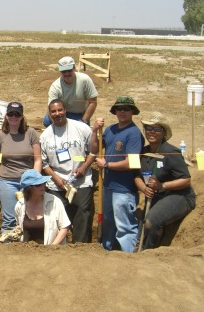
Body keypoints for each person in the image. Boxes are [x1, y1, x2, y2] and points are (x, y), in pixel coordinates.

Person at [134, 112, 196, 250]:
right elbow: (136, 176)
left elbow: (186, 180)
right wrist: (144, 188)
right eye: (149, 128)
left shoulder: (171, 152)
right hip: (156, 196)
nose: (152, 132)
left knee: (152, 220)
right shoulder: (143, 152)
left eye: (157, 129)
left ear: (163, 132)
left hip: (179, 196)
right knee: (142, 226)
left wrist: (161, 186)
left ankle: (149, 253)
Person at [91, 96, 144, 253]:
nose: (122, 111)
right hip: (108, 186)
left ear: (132, 112)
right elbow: (94, 149)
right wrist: (94, 131)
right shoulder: (110, 130)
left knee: (125, 226)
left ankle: (128, 257)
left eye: (126, 109)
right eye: (119, 109)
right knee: (109, 223)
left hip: (124, 188)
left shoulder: (134, 134)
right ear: (115, 111)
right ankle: (108, 252)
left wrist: (107, 165)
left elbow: (132, 163)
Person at [40, 99, 96, 243]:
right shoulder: (45, 136)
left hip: (80, 182)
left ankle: (80, 248)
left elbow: (93, 152)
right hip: (56, 184)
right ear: (49, 113)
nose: (57, 114)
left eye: (60, 110)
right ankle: (57, 248)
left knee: (82, 215)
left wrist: (83, 167)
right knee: (55, 217)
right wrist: (56, 178)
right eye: (53, 111)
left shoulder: (81, 128)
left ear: (65, 110)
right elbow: (44, 163)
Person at [0, 101, 41, 232]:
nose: (14, 116)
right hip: (7, 182)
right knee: (10, 219)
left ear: (22, 116)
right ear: (6, 116)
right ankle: (7, 247)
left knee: (29, 216)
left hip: (27, 182)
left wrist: (34, 182)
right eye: (11, 114)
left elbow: (37, 159)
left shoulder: (31, 133)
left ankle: (26, 246)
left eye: (17, 114)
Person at [14, 169, 70, 245]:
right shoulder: (20, 205)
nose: (43, 186)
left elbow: (64, 227)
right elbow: (19, 227)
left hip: (51, 252)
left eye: (43, 182)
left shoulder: (55, 202)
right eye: (38, 185)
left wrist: (52, 247)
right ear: (29, 188)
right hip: (27, 253)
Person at [43, 56, 98, 127]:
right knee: (47, 120)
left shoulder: (85, 80)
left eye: (69, 70)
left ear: (74, 68)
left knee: (81, 130)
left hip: (80, 114)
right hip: (63, 114)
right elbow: (50, 108)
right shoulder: (55, 86)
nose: (67, 73)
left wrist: (84, 121)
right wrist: (58, 126)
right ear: (60, 71)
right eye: (64, 71)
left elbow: (93, 102)